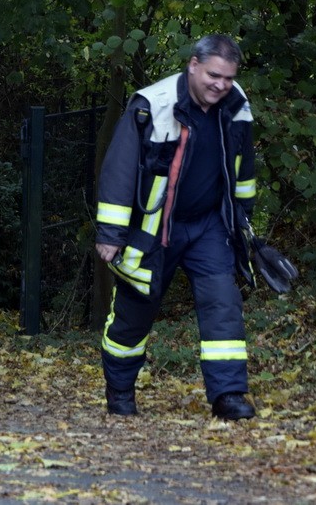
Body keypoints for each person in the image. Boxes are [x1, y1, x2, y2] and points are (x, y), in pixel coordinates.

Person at [94, 34, 257, 421]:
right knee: (135, 309)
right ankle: (119, 392)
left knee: (223, 305)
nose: (221, 85)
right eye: (214, 75)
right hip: (154, 229)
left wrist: (243, 220)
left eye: (228, 78)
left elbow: (244, 168)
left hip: (209, 226)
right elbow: (118, 169)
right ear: (193, 65)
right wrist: (111, 234)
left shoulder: (236, 105)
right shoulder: (152, 104)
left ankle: (228, 396)